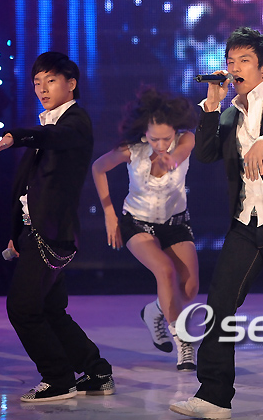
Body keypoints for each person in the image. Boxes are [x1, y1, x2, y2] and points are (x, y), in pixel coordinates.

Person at [170, 26, 263, 419]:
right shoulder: (227, 115)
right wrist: (210, 107)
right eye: (230, 61)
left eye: (244, 61)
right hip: (245, 225)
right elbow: (205, 154)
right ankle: (214, 396)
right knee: (220, 304)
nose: (234, 68)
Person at [0, 51, 114, 402]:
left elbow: (53, 137)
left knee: (22, 308)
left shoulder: (74, 122)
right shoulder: (49, 126)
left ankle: (58, 378)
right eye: (37, 82)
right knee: (50, 309)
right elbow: (27, 189)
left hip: (51, 234)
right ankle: (96, 370)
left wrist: (16, 135)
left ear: (71, 84)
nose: (42, 88)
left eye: (51, 80)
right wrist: (16, 232)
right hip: (37, 232)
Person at [91, 85, 200, 371]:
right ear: (144, 133)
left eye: (166, 138)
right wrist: (109, 214)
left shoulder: (185, 139)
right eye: (155, 139)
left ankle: (154, 311)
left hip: (176, 223)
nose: (161, 144)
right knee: (165, 270)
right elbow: (98, 168)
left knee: (189, 289)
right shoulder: (132, 151)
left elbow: (182, 152)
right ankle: (184, 344)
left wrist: (171, 159)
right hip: (137, 223)